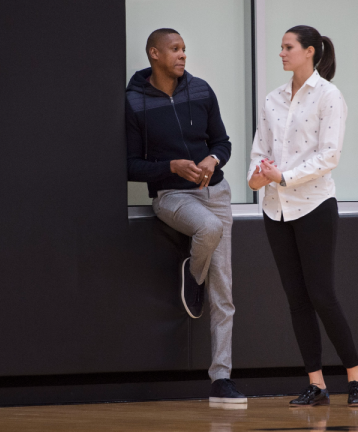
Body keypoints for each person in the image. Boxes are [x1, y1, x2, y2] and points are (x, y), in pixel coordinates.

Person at [247, 25, 358, 407]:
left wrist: (283, 175)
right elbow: (259, 150)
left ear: (310, 52)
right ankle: (316, 384)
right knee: (296, 298)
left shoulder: (329, 96)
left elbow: (329, 155)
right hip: (275, 208)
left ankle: (356, 377)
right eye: (281, 47)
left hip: (314, 205)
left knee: (322, 295)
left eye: (288, 47)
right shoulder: (272, 100)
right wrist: (257, 176)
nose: (281, 53)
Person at [126, 28, 245, 403]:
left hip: (216, 191)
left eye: (184, 49)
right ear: (154, 54)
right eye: (175, 49)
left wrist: (213, 159)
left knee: (224, 289)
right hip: (171, 195)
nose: (182, 56)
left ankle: (221, 378)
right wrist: (172, 167)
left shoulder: (202, 91)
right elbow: (129, 165)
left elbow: (222, 142)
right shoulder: (133, 102)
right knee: (207, 229)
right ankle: (194, 275)